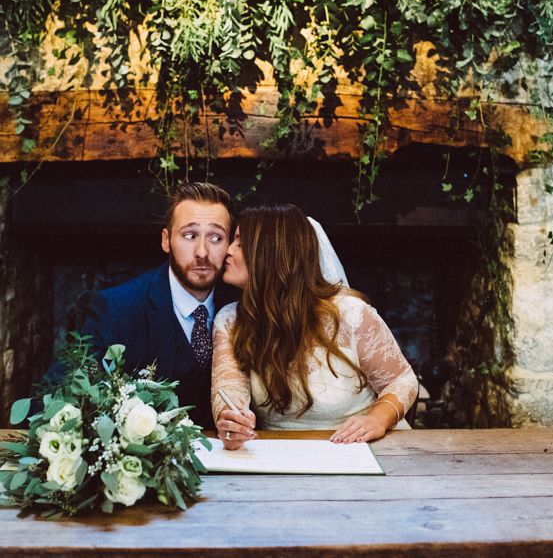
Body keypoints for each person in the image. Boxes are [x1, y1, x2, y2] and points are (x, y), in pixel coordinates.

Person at [211, 203, 419, 448]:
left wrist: (378, 419)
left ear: (271, 254)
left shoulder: (350, 314)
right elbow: (228, 387)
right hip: (281, 452)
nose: (228, 251)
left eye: (240, 244)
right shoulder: (229, 320)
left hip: (364, 448)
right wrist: (230, 420)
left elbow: (402, 380)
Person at [77, 182, 234, 429]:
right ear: (166, 240)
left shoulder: (242, 304)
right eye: (190, 235)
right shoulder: (117, 307)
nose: (202, 252)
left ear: (230, 245)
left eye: (216, 238)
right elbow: (63, 393)